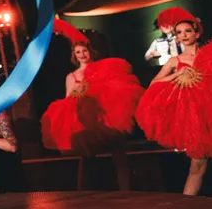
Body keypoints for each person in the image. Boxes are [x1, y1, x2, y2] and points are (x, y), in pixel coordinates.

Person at [40, 19, 143, 191]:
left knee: (119, 154)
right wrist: (77, 91)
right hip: (87, 119)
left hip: (107, 116)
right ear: (74, 55)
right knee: (87, 158)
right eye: (78, 52)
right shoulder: (72, 76)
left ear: (90, 51)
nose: (82, 54)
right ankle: (84, 194)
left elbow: (115, 87)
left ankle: (126, 191)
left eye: (84, 51)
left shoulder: (102, 68)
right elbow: (67, 100)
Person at [136, 8, 212, 195]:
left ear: (196, 32)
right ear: (176, 37)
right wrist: (177, 74)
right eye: (179, 32)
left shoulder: (209, 55)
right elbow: (154, 83)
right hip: (197, 119)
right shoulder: (174, 61)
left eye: (187, 31)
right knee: (198, 166)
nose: (184, 35)